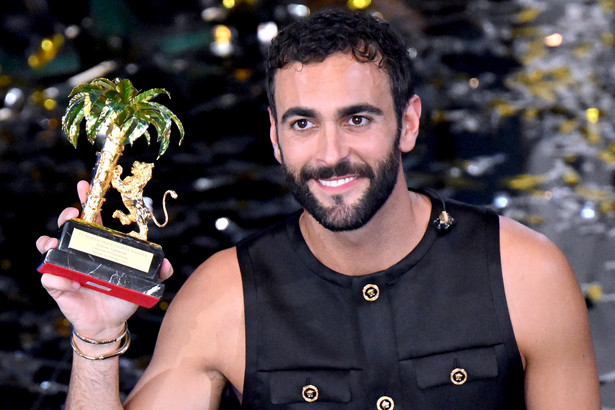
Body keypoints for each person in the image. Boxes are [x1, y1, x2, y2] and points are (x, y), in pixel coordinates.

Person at [36, 8, 600, 409]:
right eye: (303, 123)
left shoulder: (526, 274)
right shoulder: (222, 298)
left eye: (357, 119)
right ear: (277, 139)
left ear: (407, 123)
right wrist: (95, 339)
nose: (331, 155)